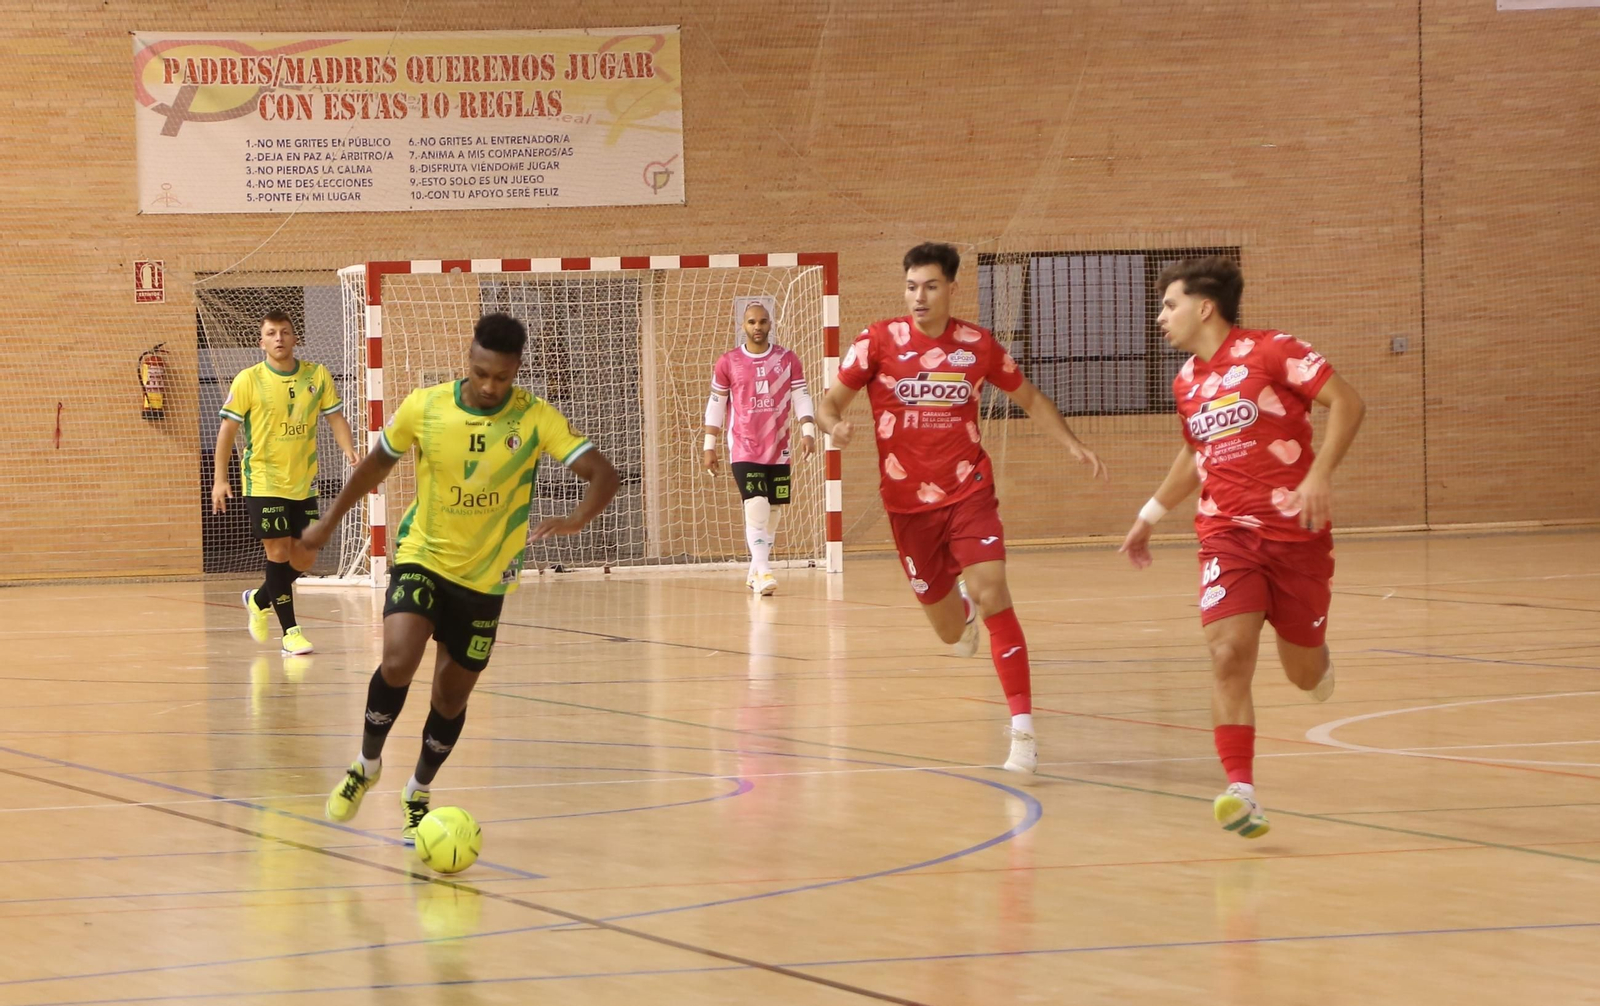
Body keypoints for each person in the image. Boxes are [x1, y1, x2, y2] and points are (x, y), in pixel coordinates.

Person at [300, 312, 620, 841]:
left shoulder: (535, 418)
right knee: (398, 660)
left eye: (502, 377)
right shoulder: (425, 406)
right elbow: (375, 465)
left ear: (517, 370)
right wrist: (329, 522)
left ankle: (417, 791)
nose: (490, 386)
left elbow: (603, 473)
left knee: (450, 698)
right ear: (468, 360)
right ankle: (366, 764)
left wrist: (576, 519)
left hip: (486, 579)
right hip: (424, 556)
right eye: (481, 373)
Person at [816, 242, 1108, 775]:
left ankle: (1023, 731)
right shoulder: (878, 341)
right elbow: (828, 402)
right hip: (908, 508)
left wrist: (1072, 443)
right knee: (950, 632)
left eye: (930, 286)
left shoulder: (977, 345)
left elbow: (1030, 398)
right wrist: (834, 426)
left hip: (969, 490)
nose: (919, 297)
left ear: (951, 288)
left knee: (994, 591)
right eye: (911, 287)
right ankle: (963, 613)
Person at [1118, 256, 1366, 838]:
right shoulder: (1186, 382)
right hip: (1226, 534)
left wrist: (1319, 475)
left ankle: (1316, 657)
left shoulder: (1274, 351)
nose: (1161, 317)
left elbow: (1348, 403)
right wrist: (1149, 515)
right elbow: (1194, 454)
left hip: (1297, 534)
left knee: (1303, 674)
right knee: (1228, 653)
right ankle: (1241, 791)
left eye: (1170, 305)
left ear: (1205, 307)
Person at [212, 310, 357, 655]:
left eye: (285, 332)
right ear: (261, 342)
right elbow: (227, 431)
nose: (279, 338)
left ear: (295, 338)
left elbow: (335, 418)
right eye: (271, 333)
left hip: (303, 482)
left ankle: (259, 599)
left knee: (305, 557)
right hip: (264, 479)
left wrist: (350, 450)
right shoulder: (248, 380)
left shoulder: (316, 375)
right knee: (277, 552)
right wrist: (219, 478)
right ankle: (291, 633)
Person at [702, 302, 815, 594]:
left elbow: (801, 395)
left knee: (773, 511)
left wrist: (808, 430)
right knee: (756, 505)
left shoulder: (787, 359)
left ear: (770, 324)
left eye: (763, 321)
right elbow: (716, 405)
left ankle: (754, 571)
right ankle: (764, 571)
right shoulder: (728, 362)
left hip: (778, 446)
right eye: (752, 322)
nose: (758, 327)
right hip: (744, 446)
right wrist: (709, 445)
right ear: (743, 325)